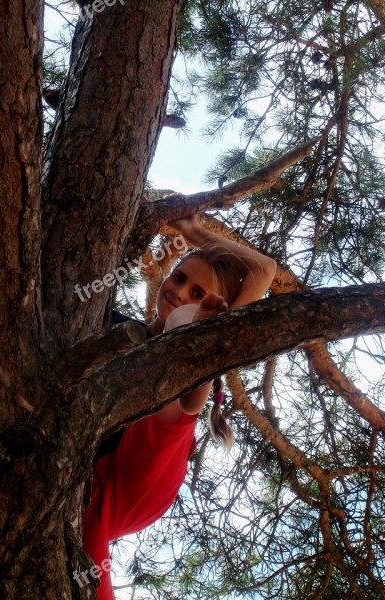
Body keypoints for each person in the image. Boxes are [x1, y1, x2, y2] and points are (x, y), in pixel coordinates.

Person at [82, 214, 277, 599]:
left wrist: (194, 233)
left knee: (180, 363)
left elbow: (263, 270)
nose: (180, 293)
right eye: (179, 278)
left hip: (143, 468)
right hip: (98, 458)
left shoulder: (193, 355)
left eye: (197, 294)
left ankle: (188, 339)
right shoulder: (112, 322)